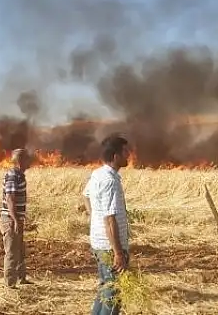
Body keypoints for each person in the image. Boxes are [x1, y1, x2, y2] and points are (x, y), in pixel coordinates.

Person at [83, 134, 131, 315]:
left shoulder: (98, 174)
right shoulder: (110, 181)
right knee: (112, 295)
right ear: (115, 156)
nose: (128, 155)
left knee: (105, 289)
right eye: (125, 151)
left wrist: (93, 216)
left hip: (99, 242)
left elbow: (86, 195)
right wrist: (118, 253)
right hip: (109, 247)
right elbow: (110, 220)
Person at [0, 148, 33, 288]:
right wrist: (15, 220)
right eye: (28, 158)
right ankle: (10, 285)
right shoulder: (13, 175)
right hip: (10, 220)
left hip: (16, 219)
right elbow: (10, 199)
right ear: (21, 160)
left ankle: (21, 279)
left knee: (20, 250)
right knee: (12, 252)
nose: (30, 161)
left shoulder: (19, 175)